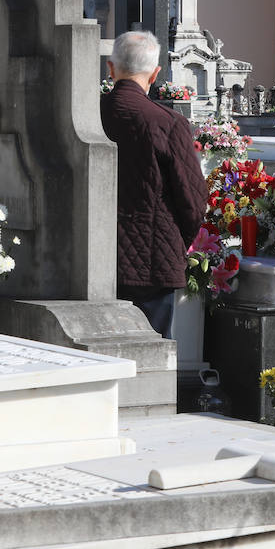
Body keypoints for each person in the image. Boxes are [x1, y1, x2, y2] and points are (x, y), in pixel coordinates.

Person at [99, 31, 207, 339]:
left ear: (111, 69)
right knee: (152, 356)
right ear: (156, 73)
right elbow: (193, 200)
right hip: (151, 263)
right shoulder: (168, 123)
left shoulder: (88, 114)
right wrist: (174, 239)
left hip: (91, 258)